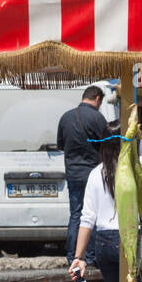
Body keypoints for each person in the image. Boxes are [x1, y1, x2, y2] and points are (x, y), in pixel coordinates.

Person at [67, 137, 142, 282]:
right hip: (131, 238)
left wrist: (78, 256)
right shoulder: (140, 166)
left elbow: (87, 217)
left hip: (104, 241)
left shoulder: (96, 173)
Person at [56, 86, 110, 265]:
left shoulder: (65, 117)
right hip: (93, 175)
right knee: (92, 215)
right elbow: (107, 146)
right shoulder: (98, 118)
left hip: (73, 174)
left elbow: (61, 145)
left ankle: (73, 256)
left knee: (76, 215)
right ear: (97, 99)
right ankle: (90, 257)